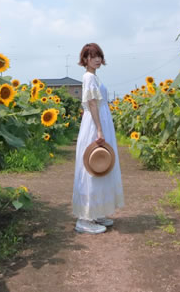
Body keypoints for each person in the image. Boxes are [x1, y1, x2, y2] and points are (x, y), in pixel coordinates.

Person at [72, 42, 125, 234]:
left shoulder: (94, 77)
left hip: (99, 122)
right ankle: (84, 219)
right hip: (95, 124)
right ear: (84, 59)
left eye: (99, 56)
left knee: (101, 167)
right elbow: (92, 104)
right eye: (92, 56)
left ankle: (96, 212)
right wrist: (100, 130)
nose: (96, 59)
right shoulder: (88, 77)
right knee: (91, 169)